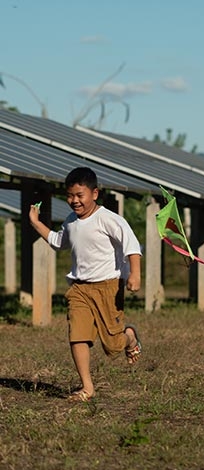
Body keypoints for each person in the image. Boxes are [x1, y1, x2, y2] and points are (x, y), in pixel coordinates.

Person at [29, 167, 143, 401]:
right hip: (79, 288)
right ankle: (87, 387)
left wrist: (135, 275)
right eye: (70, 196)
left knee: (113, 345)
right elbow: (58, 242)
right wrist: (35, 222)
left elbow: (132, 246)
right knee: (77, 335)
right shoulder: (71, 221)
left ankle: (129, 336)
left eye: (80, 195)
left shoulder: (109, 219)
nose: (74, 201)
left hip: (108, 287)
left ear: (94, 193)